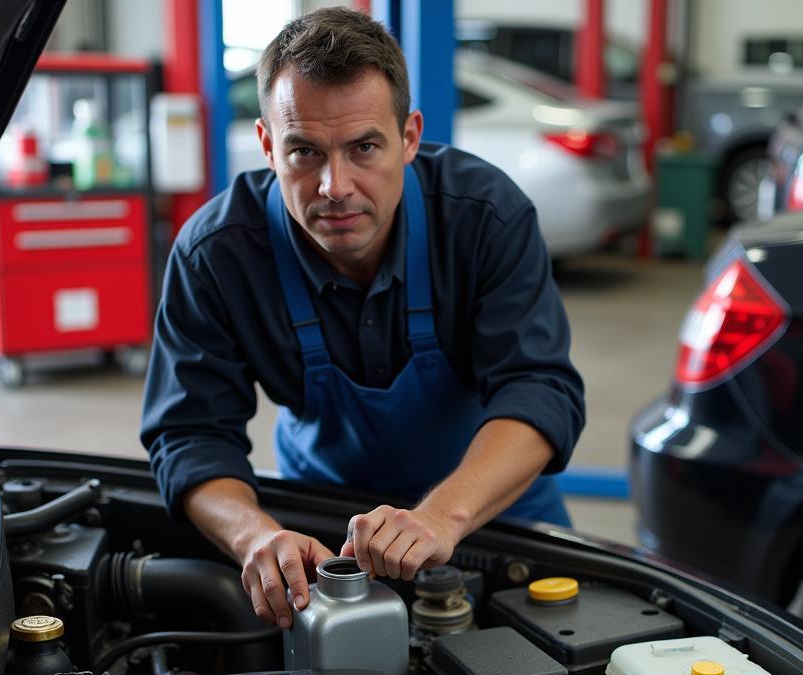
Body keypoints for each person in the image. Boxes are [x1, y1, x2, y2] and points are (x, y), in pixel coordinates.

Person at [140, 7, 585, 629]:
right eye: (304, 152)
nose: (334, 186)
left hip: (491, 513)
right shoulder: (216, 254)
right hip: (324, 538)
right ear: (268, 145)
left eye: (364, 147)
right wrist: (255, 538)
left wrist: (441, 516)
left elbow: (540, 389)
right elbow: (189, 434)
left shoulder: (485, 217)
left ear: (408, 137)